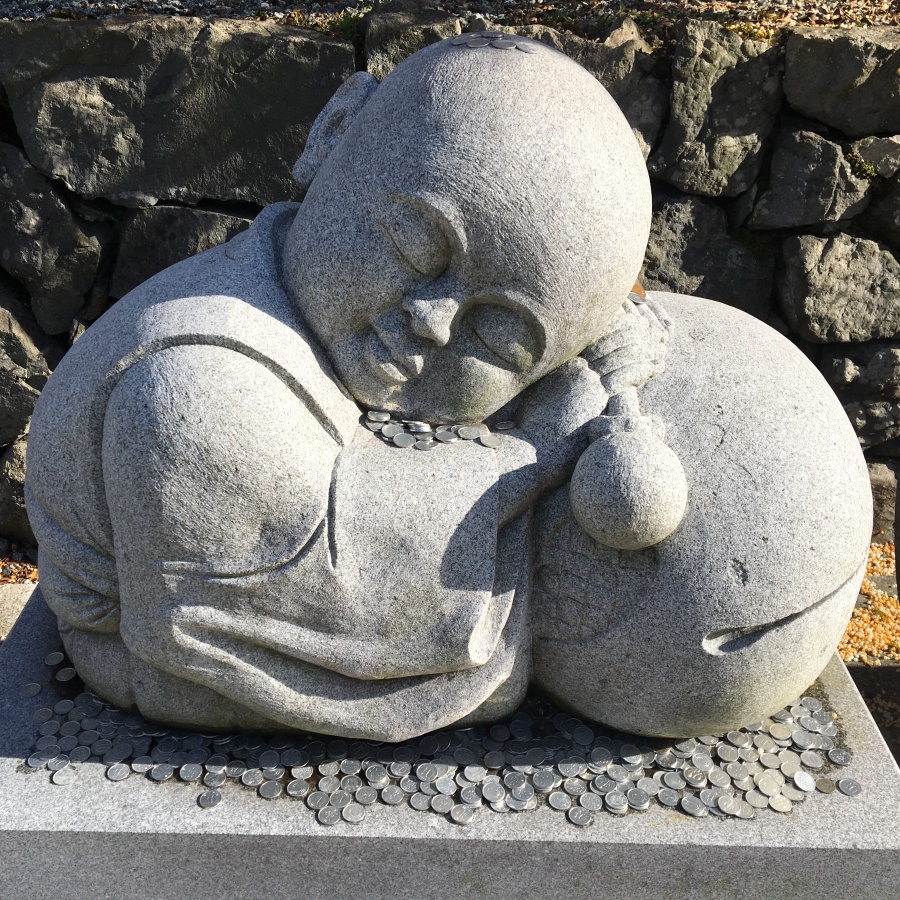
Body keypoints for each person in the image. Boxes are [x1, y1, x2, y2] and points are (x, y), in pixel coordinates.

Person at [25, 35, 652, 739]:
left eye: (499, 338)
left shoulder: (304, 306)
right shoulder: (199, 385)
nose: (434, 322)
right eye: (416, 244)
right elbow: (335, 571)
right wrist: (536, 452)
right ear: (334, 129)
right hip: (158, 650)